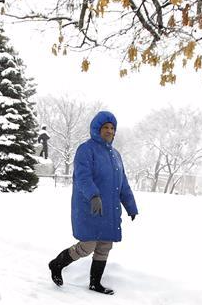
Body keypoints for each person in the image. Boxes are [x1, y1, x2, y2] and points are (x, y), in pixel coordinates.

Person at [48, 111, 138, 295]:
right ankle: (57, 264)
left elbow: (123, 184)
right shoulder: (86, 149)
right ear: (97, 129)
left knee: (105, 245)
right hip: (90, 206)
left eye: (112, 128)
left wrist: (130, 206)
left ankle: (95, 283)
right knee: (87, 245)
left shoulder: (116, 155)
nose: (109, 131)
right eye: (105, 127)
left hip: (109, 209)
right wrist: (93, 195)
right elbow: (83, 177)